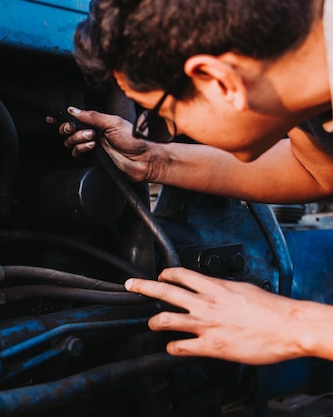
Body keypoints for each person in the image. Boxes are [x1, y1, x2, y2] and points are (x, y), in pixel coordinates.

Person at [60, 0, 333, 365]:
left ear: (218, 80)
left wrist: (288, 323)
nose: (170, 131)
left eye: (161, 117)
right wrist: (156, 160)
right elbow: (317, 168)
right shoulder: (310, 72)